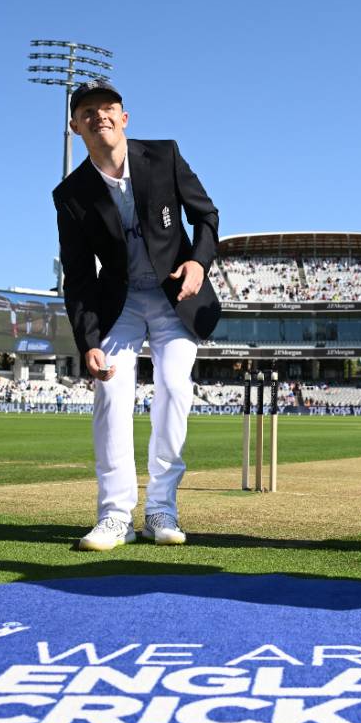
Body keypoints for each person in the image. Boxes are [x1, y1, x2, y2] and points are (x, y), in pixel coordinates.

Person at [53, 79, 221, 551]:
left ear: (124, 117)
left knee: (174, 387)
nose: (99, 115)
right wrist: (88, 340)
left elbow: (206, 216)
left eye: (108, 107)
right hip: (120, 303)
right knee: (110, 392)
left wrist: (197, 263)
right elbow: (79, 274)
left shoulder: (163, 155)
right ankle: (114, 515)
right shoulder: (70, 193)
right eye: (87, 111)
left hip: (174, 297)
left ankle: (162, 508)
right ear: (75, 126)